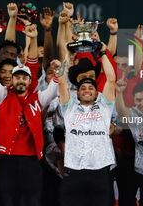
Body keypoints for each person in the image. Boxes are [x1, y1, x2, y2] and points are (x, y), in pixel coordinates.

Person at [0, 23, 61, 206]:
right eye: (17, 77)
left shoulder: (38, 98)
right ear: (13, 80)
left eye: (24, 78)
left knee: (32, 201)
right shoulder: (2, 95)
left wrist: (59, 70)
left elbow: (55, 90)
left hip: (31, 160)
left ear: (30, 80)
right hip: (6, 159)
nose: (21, 81)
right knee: (8, 200)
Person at [57, 43, 116, 206]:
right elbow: (62, 82)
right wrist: (67, 57)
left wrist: (103, 53)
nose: (87, 90)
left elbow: (111, 79)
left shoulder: (105, 107)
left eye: (91, 87)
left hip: (100, 170)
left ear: (97, 92)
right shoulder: (69, 108)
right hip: (74, 170)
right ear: (77, 92)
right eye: (83, 88)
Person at [116, 82, 143, 206]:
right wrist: (119, 93)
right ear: (134, 100)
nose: (142, 103)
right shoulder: (133, 113)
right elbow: (122, 112)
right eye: (138, 100)